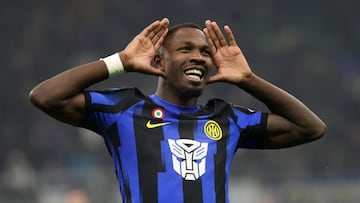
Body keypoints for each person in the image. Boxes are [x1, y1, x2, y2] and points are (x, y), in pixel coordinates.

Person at [29, 18, 326, 203]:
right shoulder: (124, 110)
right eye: (186, 49)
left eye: (205, 52)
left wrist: (248, 80)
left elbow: (310, 128)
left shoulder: (227, 119)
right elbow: (45, 97)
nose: (198, 58)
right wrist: (120, 61)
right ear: (160, 63)